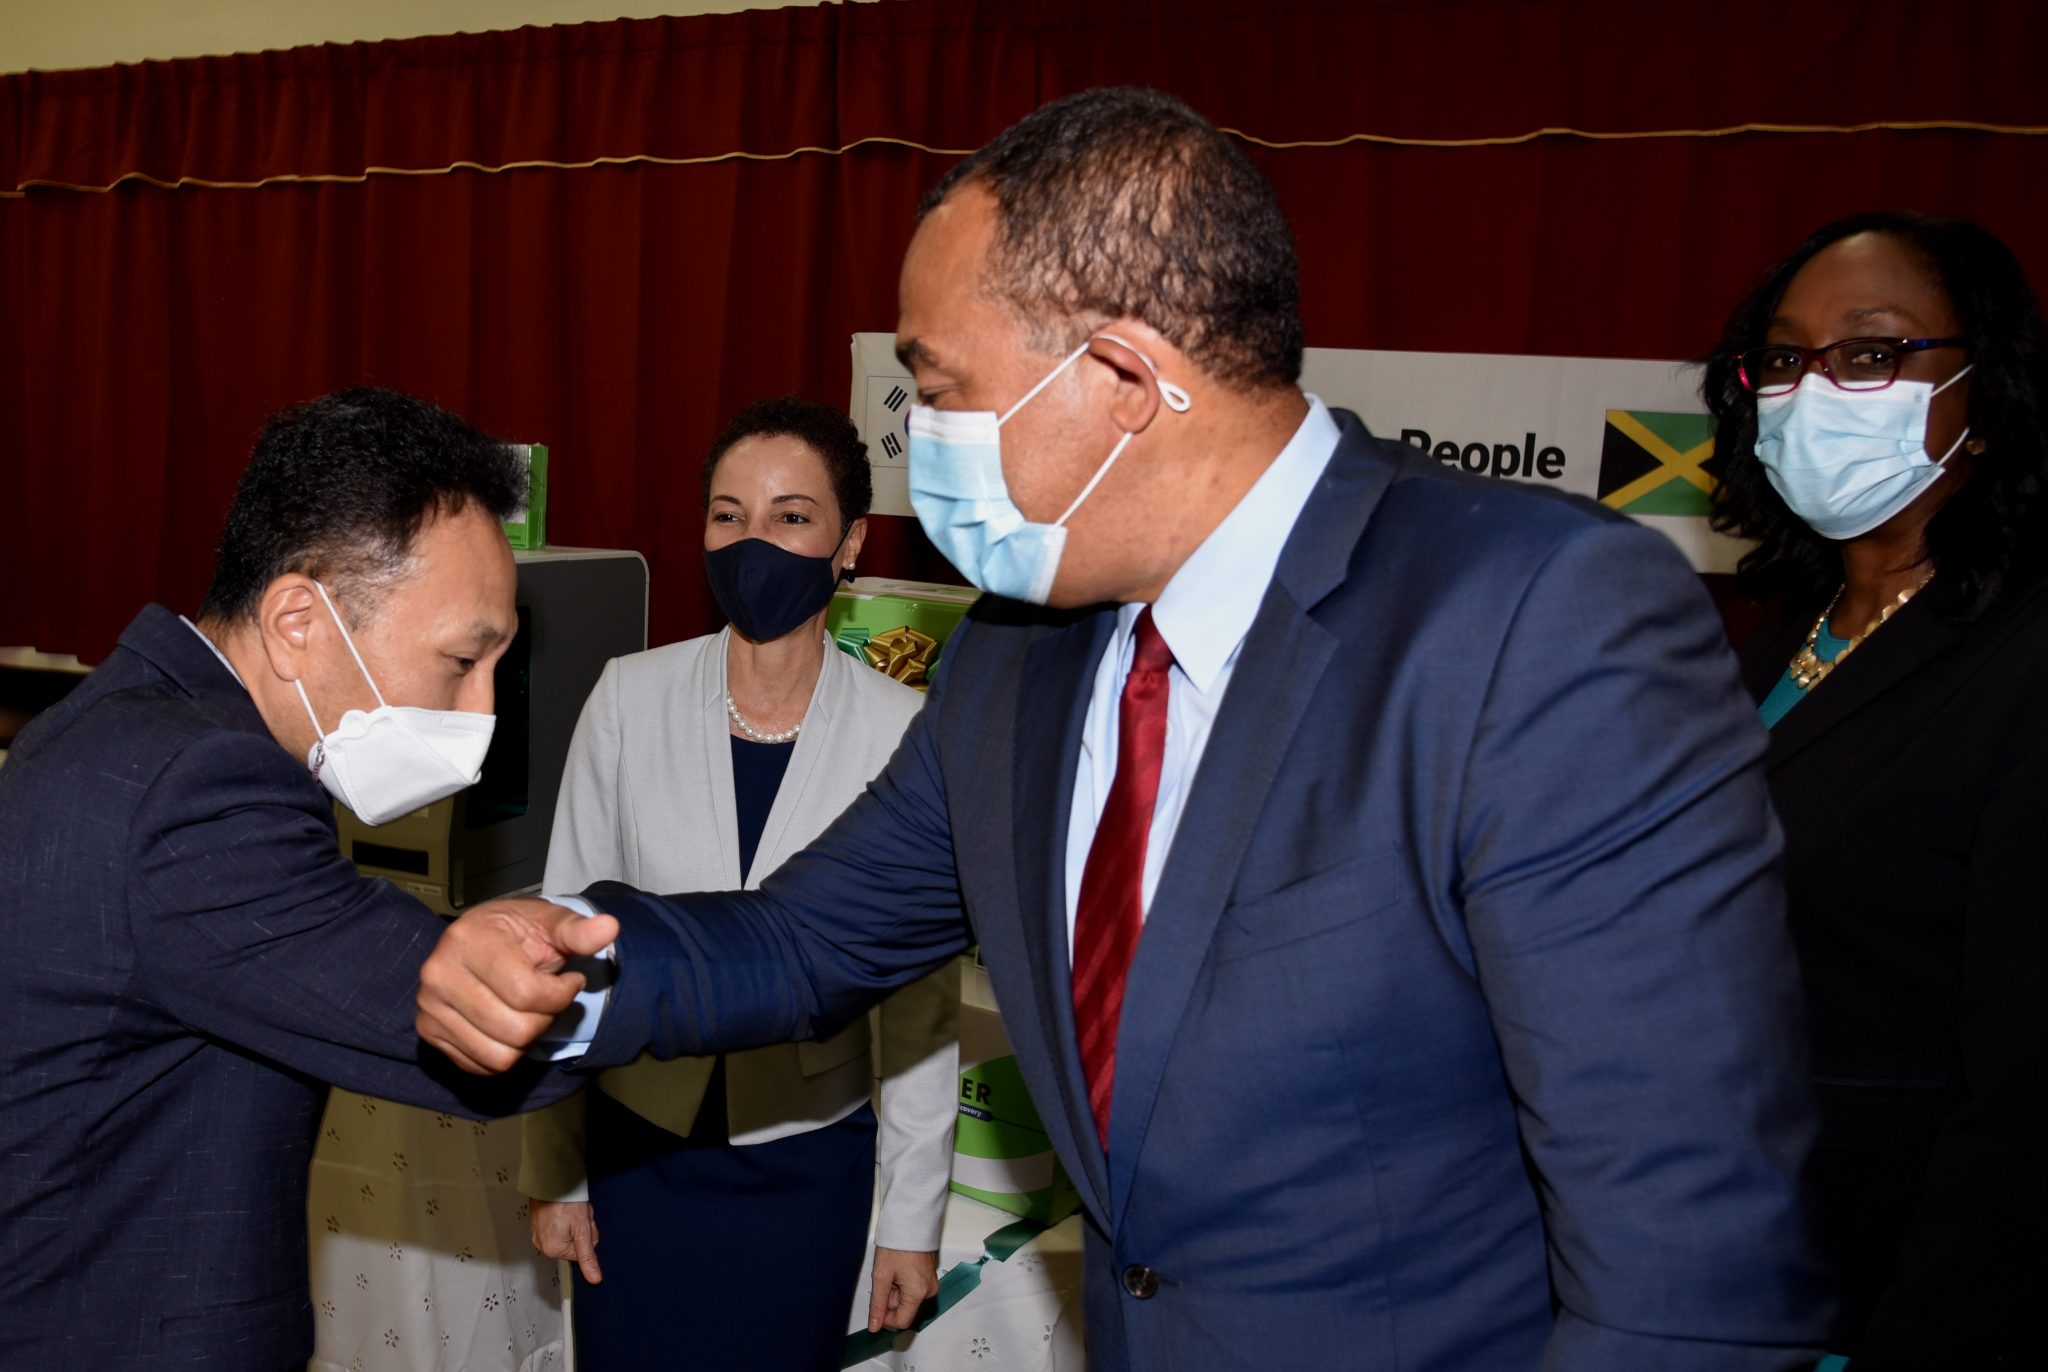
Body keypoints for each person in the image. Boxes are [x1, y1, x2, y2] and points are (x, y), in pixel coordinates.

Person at [419, 87, 1833, 1370]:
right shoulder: (1017, 662)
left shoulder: (1533, 620)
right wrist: (553, 965)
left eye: (942, 388)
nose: (919, 438)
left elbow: (1683, 1270)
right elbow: (804, 940)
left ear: (1118, 377)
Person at [0, 388, 609, 1371]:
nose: (482, 710)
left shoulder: (114, 723)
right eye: (462, 659)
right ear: (296, 619)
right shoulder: (199, 787)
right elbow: (472, 1021)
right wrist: (810, 939)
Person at [518, 396, 957, 1368]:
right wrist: (555, 1172)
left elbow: (919, 1008)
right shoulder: (626, 700)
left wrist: (912, 1216)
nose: (753, 541)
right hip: (639, 1158)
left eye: (790, 516)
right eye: (728, 514)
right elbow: (561, 949)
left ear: (849, 543)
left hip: (807, 1168)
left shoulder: (906, 733)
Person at [1703, 211, 2048, 1368]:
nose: (1813, 392)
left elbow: (2022, 1097)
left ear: (1986, 395)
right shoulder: (1771, 640)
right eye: (1785, 360)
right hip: (1725, 1265)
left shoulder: (2019, 659)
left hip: (1899, 1289)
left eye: (1868, 353)